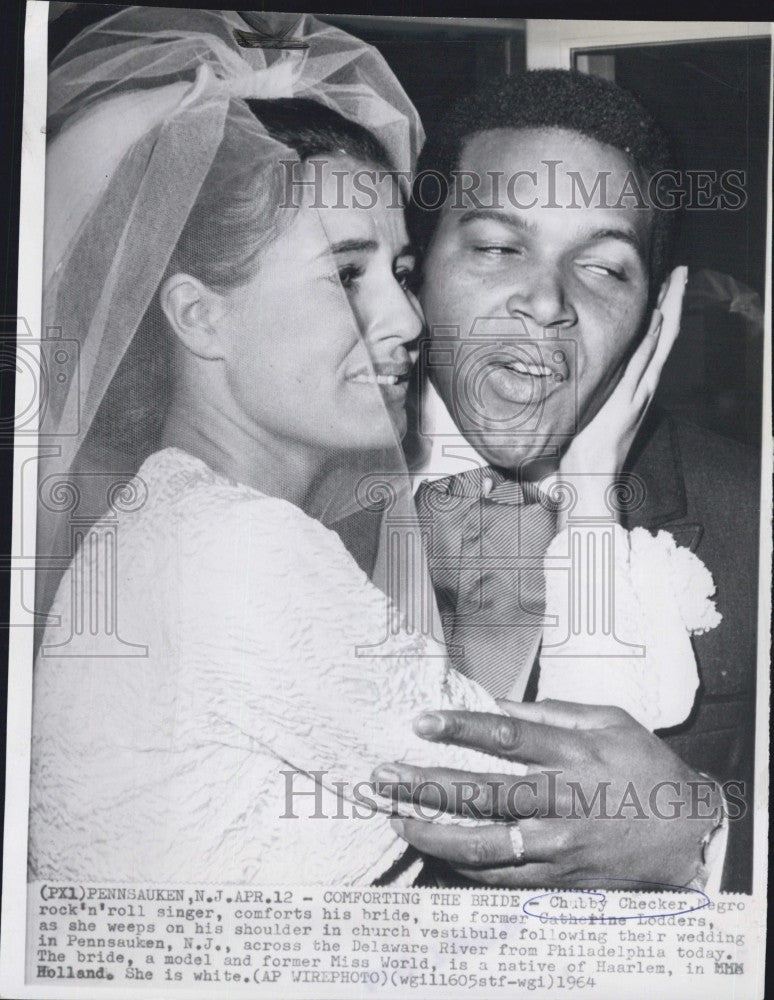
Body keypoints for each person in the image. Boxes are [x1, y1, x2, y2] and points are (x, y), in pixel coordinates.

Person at [373, 70, 758, 893]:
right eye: (497, 248)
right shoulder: (284, 478)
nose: (546, 300)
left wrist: (704, 841)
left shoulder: (751, 513)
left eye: (606, 268)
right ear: (414, 272)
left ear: (659, 310)